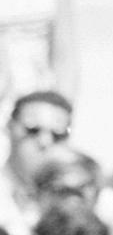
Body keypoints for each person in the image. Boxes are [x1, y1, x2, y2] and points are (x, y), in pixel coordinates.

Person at [0, 91, 72, 235]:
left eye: (58, 134)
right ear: (9, 126)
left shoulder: (69, 203)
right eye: (33, 130)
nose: (45, 141)